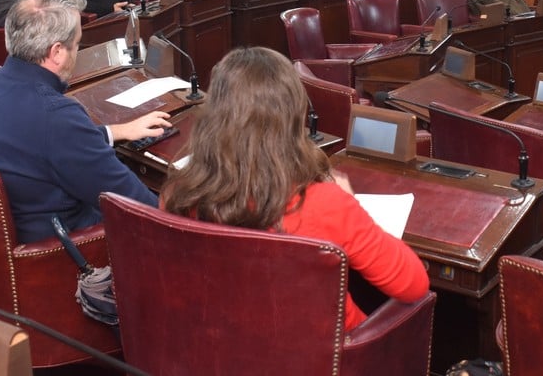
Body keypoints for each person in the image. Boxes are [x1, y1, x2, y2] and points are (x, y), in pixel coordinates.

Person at [161, 47, 429, 330]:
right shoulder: (327, 204)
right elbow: (413, 285)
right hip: (333, 357)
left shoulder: (178, 193)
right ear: (293, 118)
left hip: (221, 345)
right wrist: (351, 203)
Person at [0, 0, 169, 243]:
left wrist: (115, 132)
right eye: (77, 44)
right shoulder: (56, 116)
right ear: (56, 52)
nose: (76, 53)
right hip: (60, 249)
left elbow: (32, 144)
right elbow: (135, 202)